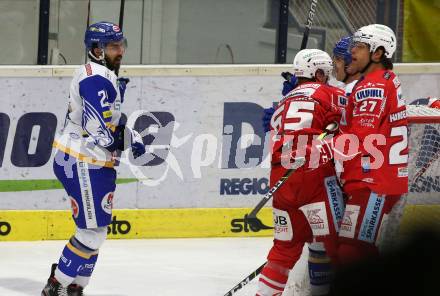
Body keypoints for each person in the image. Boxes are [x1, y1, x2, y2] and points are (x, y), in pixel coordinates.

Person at [41, 22, 145, 296]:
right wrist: (125, 138)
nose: (120, 51)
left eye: (121, 45)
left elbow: (106, 122)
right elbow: (97, 127)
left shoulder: (102, 75)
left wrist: (126, 132)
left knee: (96, 231)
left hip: (93, 161)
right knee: (91, 233)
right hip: (82, 159)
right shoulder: (96, 77)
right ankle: (56, 286)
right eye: (113, 46)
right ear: (97, 50)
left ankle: (75, 285)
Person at [256, 49, 346, 296]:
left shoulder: (284, 101)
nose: (327, 78)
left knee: (284, 250)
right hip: (314, 176)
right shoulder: (333, 93)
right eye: (325, 74)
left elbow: (273, 124)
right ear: (318, 73)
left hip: (281, 179)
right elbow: (354, 119)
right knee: (337, 245)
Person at [335, 24, 408, 265]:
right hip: (376, 179)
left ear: (377, 54)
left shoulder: (373, 85)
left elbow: (361, 136)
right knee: (359, 248)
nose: (352, 51)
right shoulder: (382, 80)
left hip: (373, 181)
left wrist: (318, 149)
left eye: (360, 46)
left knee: (350, 250)